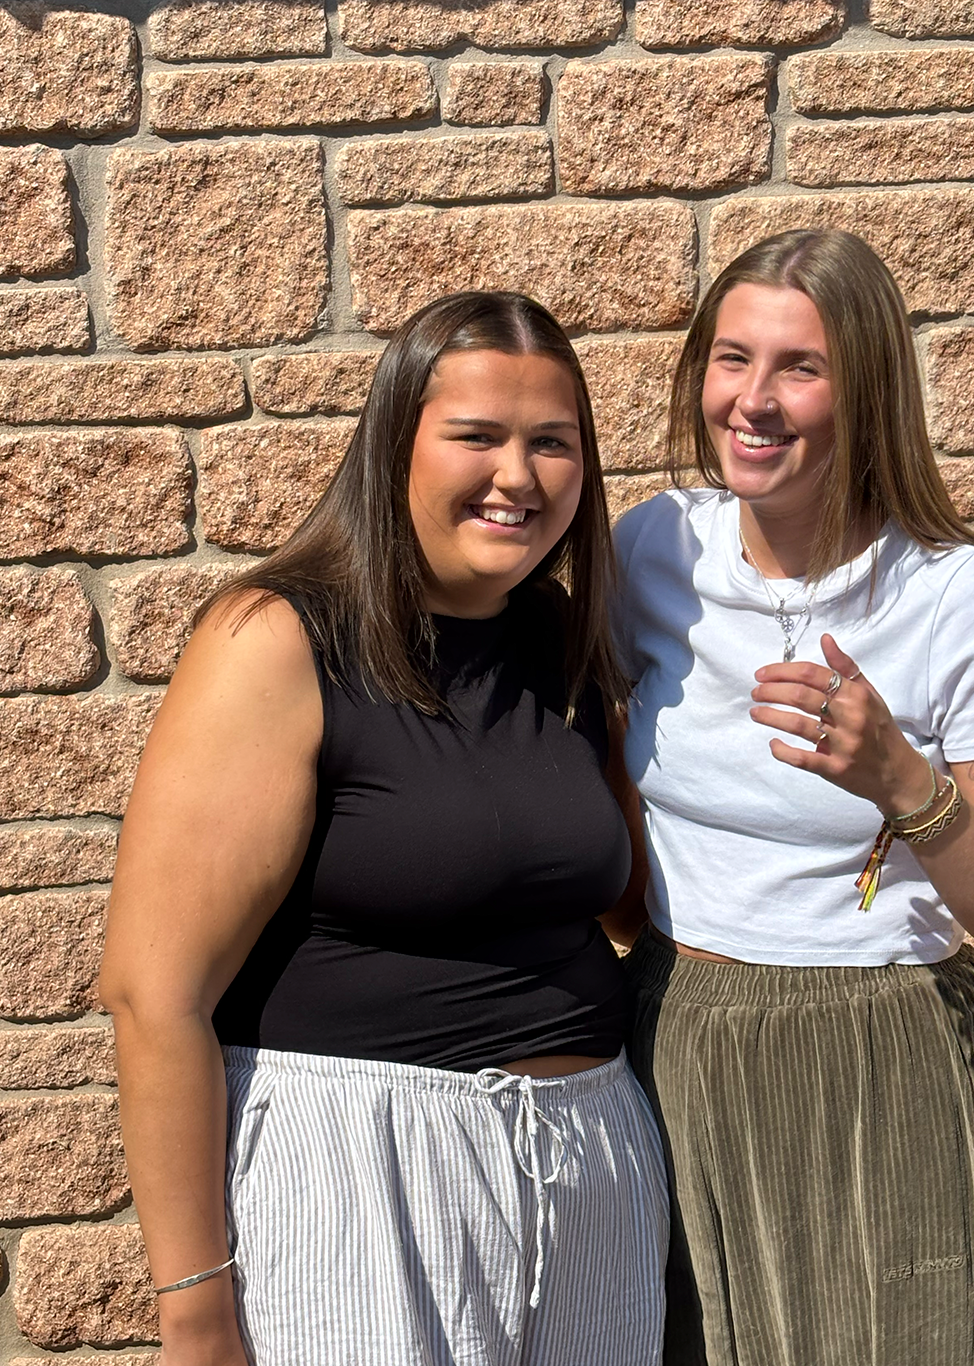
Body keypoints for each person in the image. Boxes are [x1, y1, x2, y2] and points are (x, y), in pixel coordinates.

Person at [99, 291, 668, 1366]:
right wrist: (195, 1308)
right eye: (477, 435)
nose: (520, 474)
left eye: (553, 442)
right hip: (363, 1172)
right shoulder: (277, 639)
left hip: (591, 1169)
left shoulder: (561, 640)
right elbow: (153, 993)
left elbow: (626, 898)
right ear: (395, 443)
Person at [611, 230, 974, 1366]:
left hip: (878, 1057)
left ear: (866, 390)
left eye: (799, 368)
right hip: (672, 1030)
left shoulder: (956, 600)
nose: (753, 401)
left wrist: (906, 786)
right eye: (732, 359)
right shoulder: (650, 549)